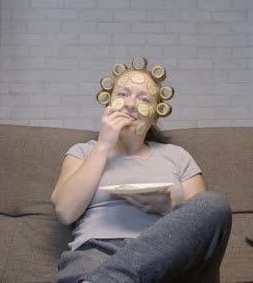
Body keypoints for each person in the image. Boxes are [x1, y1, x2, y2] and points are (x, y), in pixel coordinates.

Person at [51, 57, 232, 283]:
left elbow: (203, 230)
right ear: (109, 103)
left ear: (155, 116)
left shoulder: (177, 156)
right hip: (97, 253)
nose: (130, 104)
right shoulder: (83, 151)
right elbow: (65, 212)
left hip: (167, 258)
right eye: (122, 94)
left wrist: (167, 207)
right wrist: (103, 144)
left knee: (213, 203)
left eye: (143, 98)